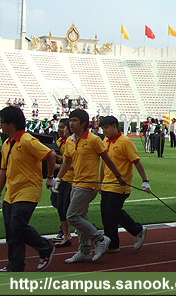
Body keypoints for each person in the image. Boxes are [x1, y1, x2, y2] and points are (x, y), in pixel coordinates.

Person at [54, 109, 127, 264]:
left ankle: (100, 239)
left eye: (74, 121)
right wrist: (58, 179)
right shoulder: (70, 141)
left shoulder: (93, 139)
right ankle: (85, 250)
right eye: (70, 120)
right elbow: (67, 162)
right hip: (76, 183)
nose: (71, 124)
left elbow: (106, 159)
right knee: (81, 217)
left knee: (72, 216)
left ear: (84, 123)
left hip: (89, 184)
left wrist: (118, 176)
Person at [0, 106, 57, 272]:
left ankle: (45, 247)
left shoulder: (26, 140)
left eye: (3, 122)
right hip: (11, 192)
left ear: (13, 124)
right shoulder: (7, 144)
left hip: (28, 189)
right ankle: (15, 264)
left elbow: (50, 155)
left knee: (17, 224)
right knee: (11, 230)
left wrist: (50, 177)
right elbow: (3, 170)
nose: (1, 125)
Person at [99, 115, 151, 253]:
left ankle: (137, 230)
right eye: (102, 128)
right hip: (106, 184)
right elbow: (103, 164)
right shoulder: (105, 141)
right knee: (106, 213)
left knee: (112, 212)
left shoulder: (125, 142)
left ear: (115, 126)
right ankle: (113, 244)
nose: (104, 131)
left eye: (106, 128)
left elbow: (136, 161)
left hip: (120, 184)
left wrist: (145, 180)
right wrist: (100, 181)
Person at [51, 118, 74, 248]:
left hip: (70, 179)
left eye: (62, 127)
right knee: (58, 204)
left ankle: (66, 234)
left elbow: (72, 164)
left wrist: (57, 162)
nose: (59, 130)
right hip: (61, 178)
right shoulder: (60, 142)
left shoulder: (71, 143)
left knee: (66, 208)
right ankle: (65, 230)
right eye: (58, 127)